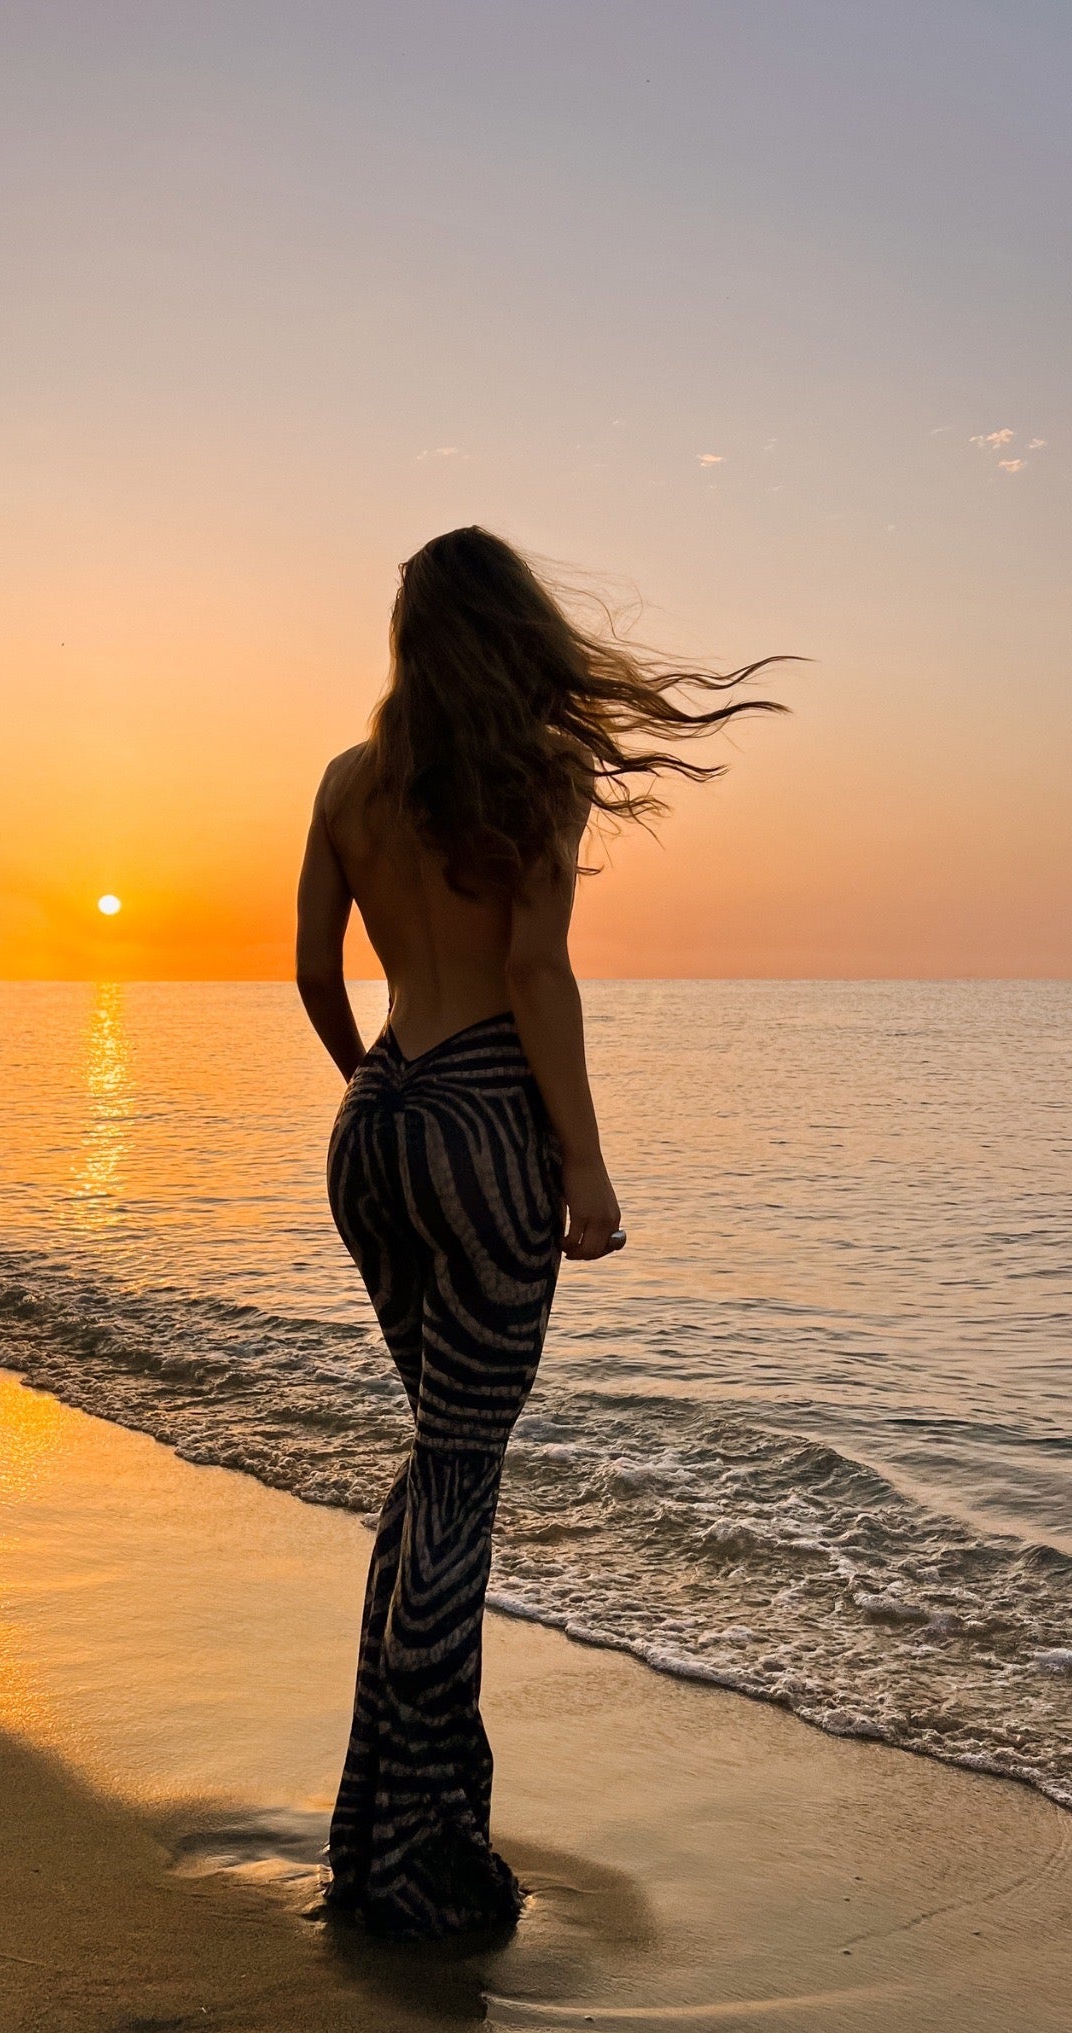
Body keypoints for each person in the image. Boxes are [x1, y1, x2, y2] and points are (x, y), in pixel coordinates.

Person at [294, 525, 783, 1940]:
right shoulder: (536, 778)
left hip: (378, 1120)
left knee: (434, 1467)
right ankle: (416, 1851)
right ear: (513, 637)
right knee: (460, 1474)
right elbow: (530, 970)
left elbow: (314, 967)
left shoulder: (346, 783)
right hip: (486, 1120)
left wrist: (374, 1093)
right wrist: (588, 1168)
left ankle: (382, 1821)